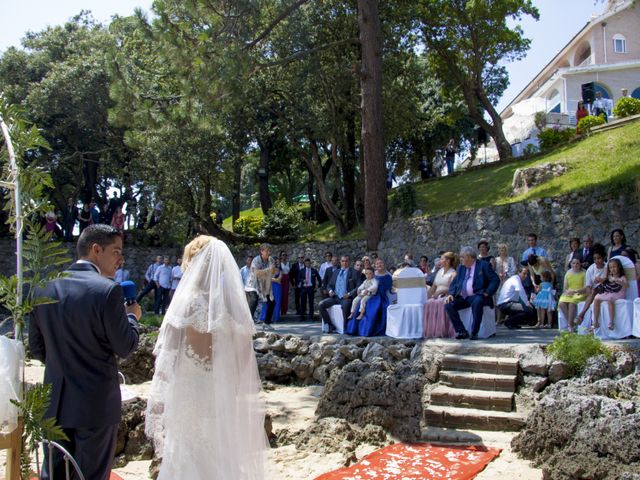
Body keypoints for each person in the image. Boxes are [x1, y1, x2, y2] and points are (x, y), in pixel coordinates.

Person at [145, 236, 266, 480]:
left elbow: (166, 357)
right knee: (219, 451)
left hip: (187, 393)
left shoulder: (185, 303)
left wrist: (160, 399)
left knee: (186, 454)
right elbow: (244, 361)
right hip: (219, 392)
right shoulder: (232, 306)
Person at [29, 224, 141, 480]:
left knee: (55, 474)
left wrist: (63, 363)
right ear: (96, 250)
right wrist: (132, 318)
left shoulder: (43, 288)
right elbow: (125, 346)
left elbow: (36, 347)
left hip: (55, 400)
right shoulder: (106, 290)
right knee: (90, 474)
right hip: (95, 405)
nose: (121, 259)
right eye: (116, 251)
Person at [444, 246, 500, 340]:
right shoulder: (461, 268)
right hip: (463, 297)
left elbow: (495, 280)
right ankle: (461, 331)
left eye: (462, 257)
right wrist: (451, 294)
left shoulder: (483, 265)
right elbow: (455, 283)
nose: (460, 259)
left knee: (477, 301)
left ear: (469, 257)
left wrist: (487, 292)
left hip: (478, 295)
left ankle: (474, 332)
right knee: (448, 305)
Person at [319, 255, 363, 332]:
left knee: (345, 306)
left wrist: (349, 294)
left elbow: (358, 286)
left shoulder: (354, 272)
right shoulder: (336, 272)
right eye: (343, 261)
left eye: (346, 261)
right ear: (340, 262)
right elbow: (329, 285)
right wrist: (330, 291)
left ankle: (346, 327)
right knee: (321, 304)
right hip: (335, 297)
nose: (344, 263)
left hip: (346, 297)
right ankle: (329, 325)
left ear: (349, 262)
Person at [423, 252, 457, 338]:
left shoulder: (453, 273)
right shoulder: (439, 272)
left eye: (442, 259)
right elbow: (434, 286)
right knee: (428, 302)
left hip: (446, 296)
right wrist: (428, 296)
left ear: (448, 261)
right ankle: (432, 330)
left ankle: (442, 331)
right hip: (436, 295)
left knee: (438, 303)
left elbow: (453, 288)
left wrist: (441, 291)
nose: (440, 261)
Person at [244, 244, 276, 329]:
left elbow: (273, 272)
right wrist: (268, 270)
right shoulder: (256, 260)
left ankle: (266, 323)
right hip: (253, 284)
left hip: (264, 284)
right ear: (261, 251)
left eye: (269, 251)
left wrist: (268, 271)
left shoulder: (271, 259)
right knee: (253, 302)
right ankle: (248, 325)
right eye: (267, 251)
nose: (269, 252)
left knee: (272, 302)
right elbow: (256, 273)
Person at [592, 258, 628, 331]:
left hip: (619, 293)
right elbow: (603, 281)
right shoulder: (609, 277)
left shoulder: (622, 277)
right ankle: (595, 322)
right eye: (611, 267)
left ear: (619, 267)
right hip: (610, 292)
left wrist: (617, 280)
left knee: (610, 299)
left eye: (614, 267)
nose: (613, 269)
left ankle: (611, 322)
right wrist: (598, 279)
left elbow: (627, 285)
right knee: (596, 298)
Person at [576, 244, 608, 325]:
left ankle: (582, 314)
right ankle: (582, 315)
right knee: (592, 291)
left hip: (607, 289)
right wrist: (590, 293)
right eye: (595, 259)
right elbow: (588, 287)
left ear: (603, 258)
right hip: (594, 292)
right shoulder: (590, 269)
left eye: (599, 258)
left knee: (595, 290)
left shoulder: (607, 267)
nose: (597, 261)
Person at [558, 258, 587, 332]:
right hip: (569, 293)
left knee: (572, 303)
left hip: (579, 293)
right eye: (573, 263)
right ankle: (570, 322)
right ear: (571, 264)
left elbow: (585, 288)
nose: (575, 265)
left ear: (580, 264)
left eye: (577, 263)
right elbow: (565, 288)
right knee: (561, 303)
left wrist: (575, 291)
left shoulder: (584, 273)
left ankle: (570, 325)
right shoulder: (568, 273)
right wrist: (568, 292)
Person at [279, 251, 291, 315]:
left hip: (287, 279)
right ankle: (280, 310)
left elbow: (290, 273)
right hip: (281, 279)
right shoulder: (279, 263)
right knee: (281, 295)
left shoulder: (289, 263)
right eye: (283, 255)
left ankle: (285, 310)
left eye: (285, 255)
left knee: (285, 296)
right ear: (281, 256)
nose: (284, 256)